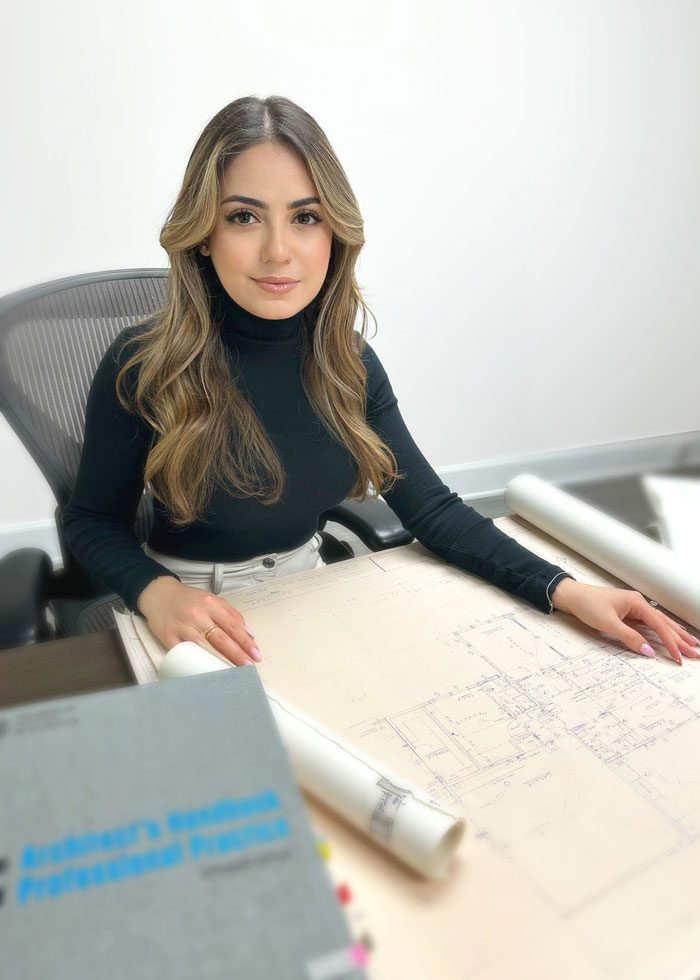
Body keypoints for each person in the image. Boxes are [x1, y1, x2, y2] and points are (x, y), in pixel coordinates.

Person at [63, 95, 700, 669]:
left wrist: (568, 590)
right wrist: (158, 593)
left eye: (305, 217)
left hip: (312, 591)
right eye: (244, 217)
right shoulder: (145, 363)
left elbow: (434, 511)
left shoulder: (348, 363)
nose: (279, 251)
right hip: (190, 609)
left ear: (334, 231)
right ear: (203, 234)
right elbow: (91, 521)